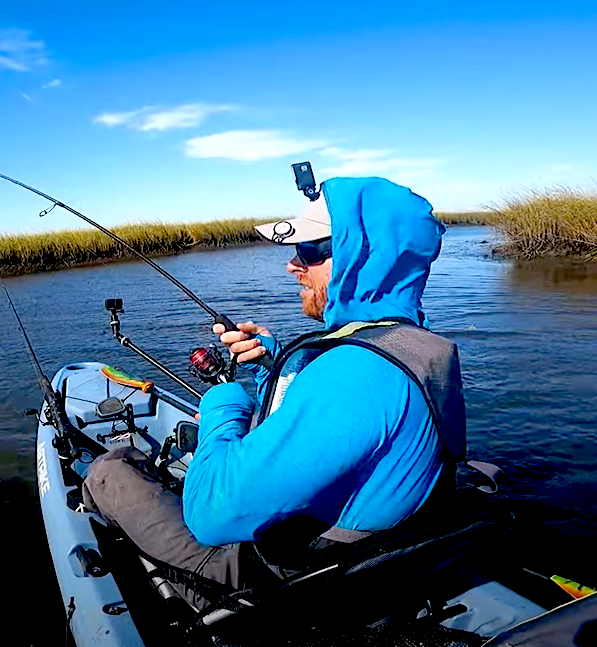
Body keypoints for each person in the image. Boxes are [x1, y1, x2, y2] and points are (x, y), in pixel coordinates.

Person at [82, 176, 467, 609]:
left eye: (308, 251)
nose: (292, 266)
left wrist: (222, 400)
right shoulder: (412, 344)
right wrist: (273, 366)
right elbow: (350, 423)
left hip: (294, 580)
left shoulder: (352, 376)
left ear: (363, 255)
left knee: (110, 472)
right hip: (377, 557)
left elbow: (212, 514)